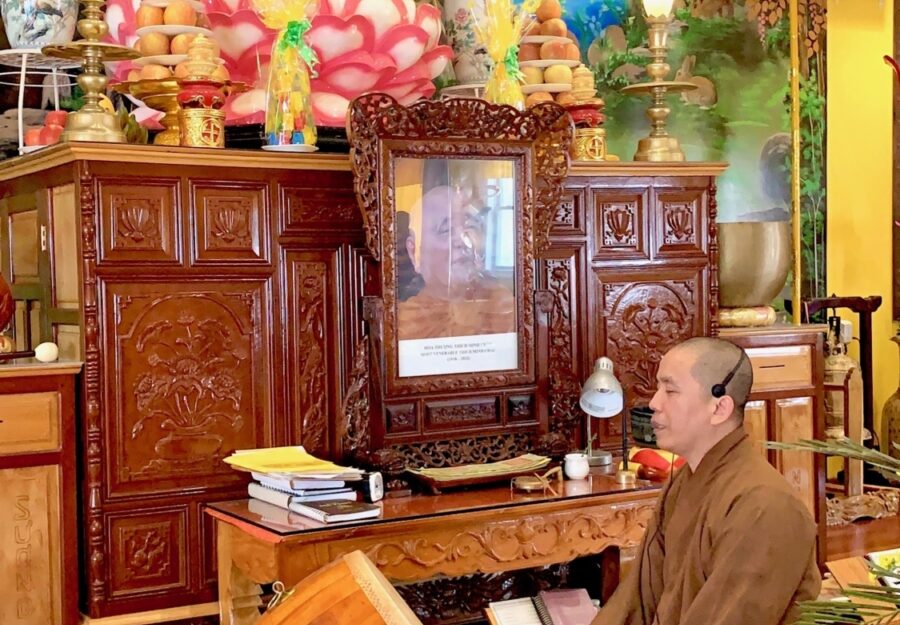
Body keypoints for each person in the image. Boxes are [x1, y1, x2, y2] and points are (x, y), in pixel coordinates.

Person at [592, 337, 821, 625]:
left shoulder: (765, 505)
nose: (654, 403)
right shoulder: (682, 483)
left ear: (719, 408)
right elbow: (637, 600)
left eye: (670, 390)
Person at [396, 184, 515, 341]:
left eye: (470, 226)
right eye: (446, 230)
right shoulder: (403, 323)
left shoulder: (502, 306)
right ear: (414, 252)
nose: (462, 240)